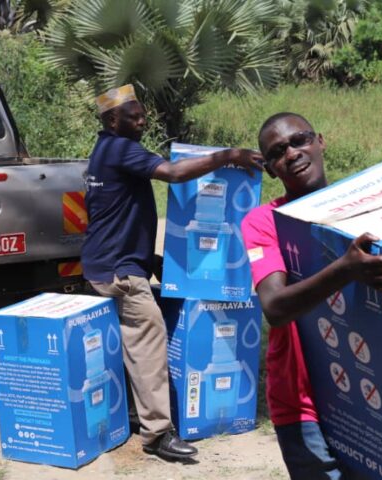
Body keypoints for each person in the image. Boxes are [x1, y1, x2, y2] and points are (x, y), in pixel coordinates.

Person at [81, 84, 262, 461]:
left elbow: (120, 215)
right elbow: (175, 173)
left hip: (108, 264)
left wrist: (154, 260)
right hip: (121, 273)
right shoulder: (120, 148)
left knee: (128, 346)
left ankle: (134, 412)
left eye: (143, 114)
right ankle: (158, 434)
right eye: (134, 116)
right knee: (149, 343)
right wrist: (229, 155)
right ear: (113, 120)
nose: (143, 120)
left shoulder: (104, 149)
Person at [241, 112, 382, 479]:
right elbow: (275, 307)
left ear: (320, 141)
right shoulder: (263, 222)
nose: (293, 153)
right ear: (270, 169)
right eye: (278, 151)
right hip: (303, 407)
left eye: (300, 139)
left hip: (370, 397)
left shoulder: (363, 210)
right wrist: (346, 269)